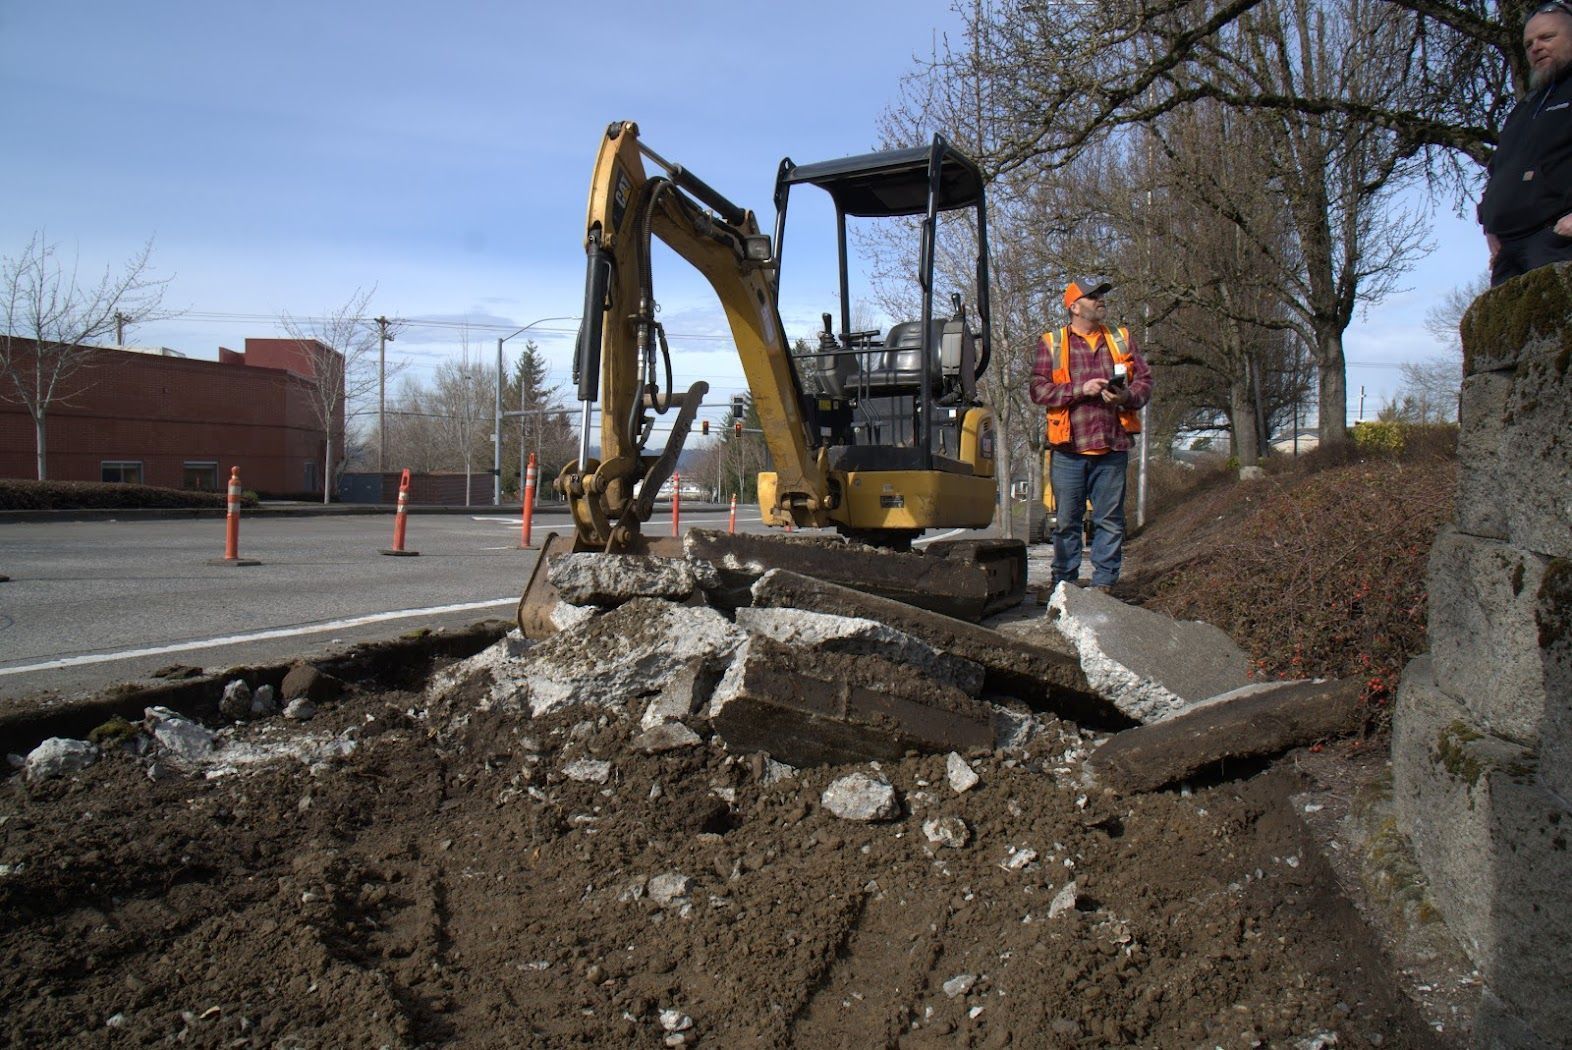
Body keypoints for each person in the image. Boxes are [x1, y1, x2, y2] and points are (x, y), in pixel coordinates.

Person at [1029, 279, 1153, 594]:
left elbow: (1145, 383)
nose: (1100, 300)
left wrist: (1125, 397)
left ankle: (1103, 587)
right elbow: (1038, 389)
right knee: (1067, 523)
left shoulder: (1121, 338)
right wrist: (1080, 389)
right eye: (1093, 296)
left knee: (1109, 522)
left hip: (1112, 447)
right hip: (1069, 449)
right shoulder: (1052, 343)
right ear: (1074, 307)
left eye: (1102, 296)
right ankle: (1065, 587)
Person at [1479, 1, 1572, 286]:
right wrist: (1488, 223)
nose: (1536, 47)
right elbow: (1499, 170)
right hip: (1508, 251)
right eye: (1529, 42)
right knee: (1504, 330)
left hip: (1555, 239)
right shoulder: (1525, 108)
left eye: (1547, 37)